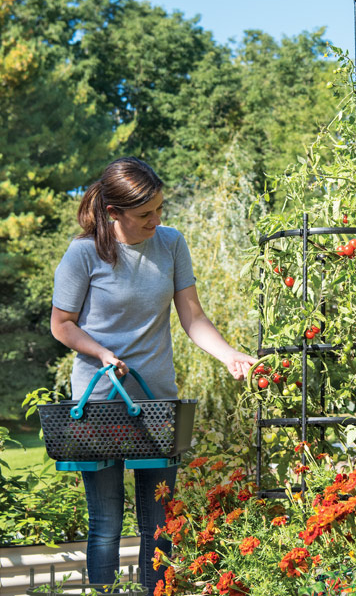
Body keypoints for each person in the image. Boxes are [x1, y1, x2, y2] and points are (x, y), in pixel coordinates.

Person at [50, 157, 256, 593]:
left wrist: (229, 354)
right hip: (99, 401)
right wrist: (101, 351)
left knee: (160, 523)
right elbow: (62, 324)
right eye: (145, 214)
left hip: (157, 400)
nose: (156, 220)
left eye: (160, 209)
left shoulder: (171, 244)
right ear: (113, 214)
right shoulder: (83, 253)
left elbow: (193, 316)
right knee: (106, 521)